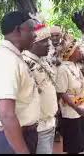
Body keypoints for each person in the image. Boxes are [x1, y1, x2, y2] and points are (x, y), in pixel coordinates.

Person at [0, 11, 40, 154]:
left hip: (17, 136)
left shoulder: (13, 57)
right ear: (17, 30)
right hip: (11, 140)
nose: (35, 35)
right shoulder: (7, 61)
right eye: (32, 30)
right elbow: (6, 115)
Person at [22, 25, 58, 154]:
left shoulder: (42, 59)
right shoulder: (24, 63)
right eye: (44, 41)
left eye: (49, 40)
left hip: (49, 121)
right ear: (33, 42)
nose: (49, 44)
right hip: (38, 127)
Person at [56, 34, 84, 154]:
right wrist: (77, 108)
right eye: (77, 49)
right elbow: (62, 93)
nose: (80, 51)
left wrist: (81, 107)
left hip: (80, 107)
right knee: (74, 144)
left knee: (80, 142)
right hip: (71, 111)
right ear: (70, 53)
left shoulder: (76, 66)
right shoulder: (63, 69)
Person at [49, 25, 65, 142]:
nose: (55, 38)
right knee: (54, 108)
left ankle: (61, 130)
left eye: (57, 35)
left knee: (63, 106)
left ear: (60, 35)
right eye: (52, 36)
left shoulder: (65, 46)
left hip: (63, 82)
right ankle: (54, 131)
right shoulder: (45, 47)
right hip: (50, 83)